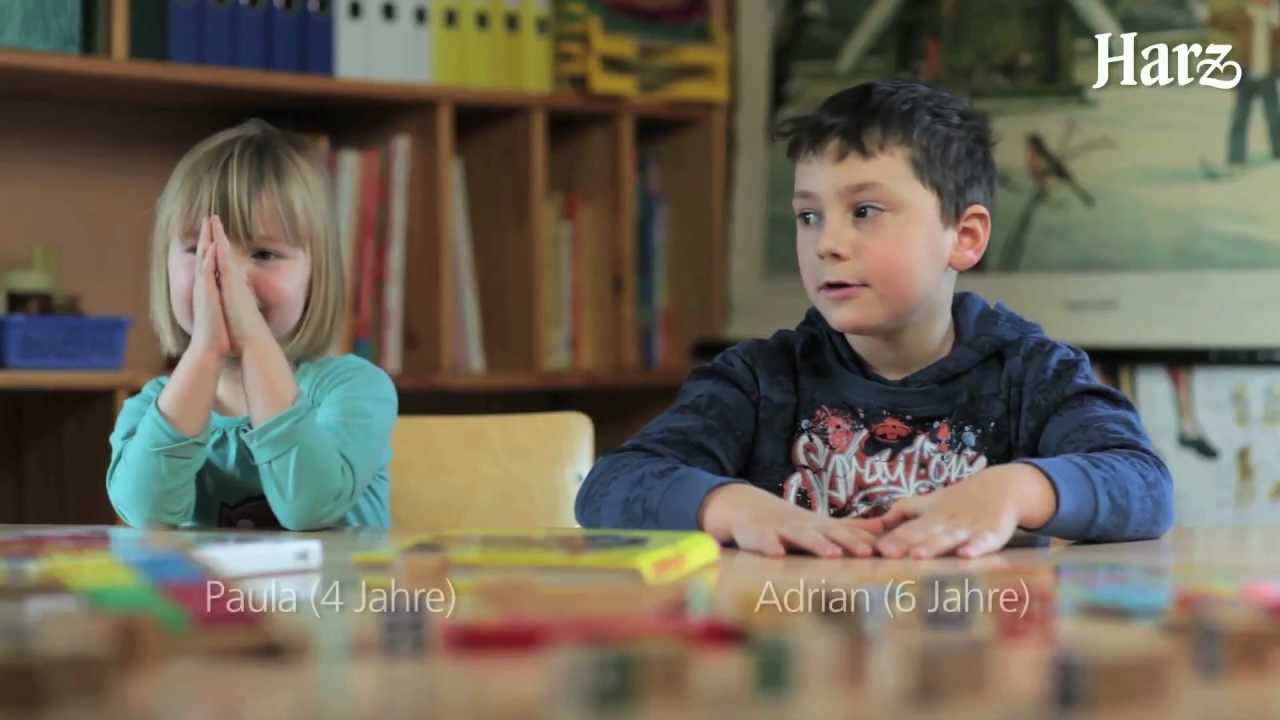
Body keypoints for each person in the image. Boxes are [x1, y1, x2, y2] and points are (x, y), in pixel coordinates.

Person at [575, 80, 1174, 559]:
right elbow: (609, 487)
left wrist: (1015, 491)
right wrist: (733, 506)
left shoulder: (1032, 372)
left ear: (964, 237)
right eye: (808, 217)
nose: (827, 243)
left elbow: (1144, 485)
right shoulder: (758, 379)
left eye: (864, 210)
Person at [107, 119, 397, 530]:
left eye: (263, 253)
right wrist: (204, 353)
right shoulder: (152, 407)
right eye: (200, 249)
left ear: (316, 276)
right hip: (207, 596)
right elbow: (146, 514)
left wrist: (256, 344)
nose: (229, 276)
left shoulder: (354, 390)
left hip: (334, 595)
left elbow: (309, 507)